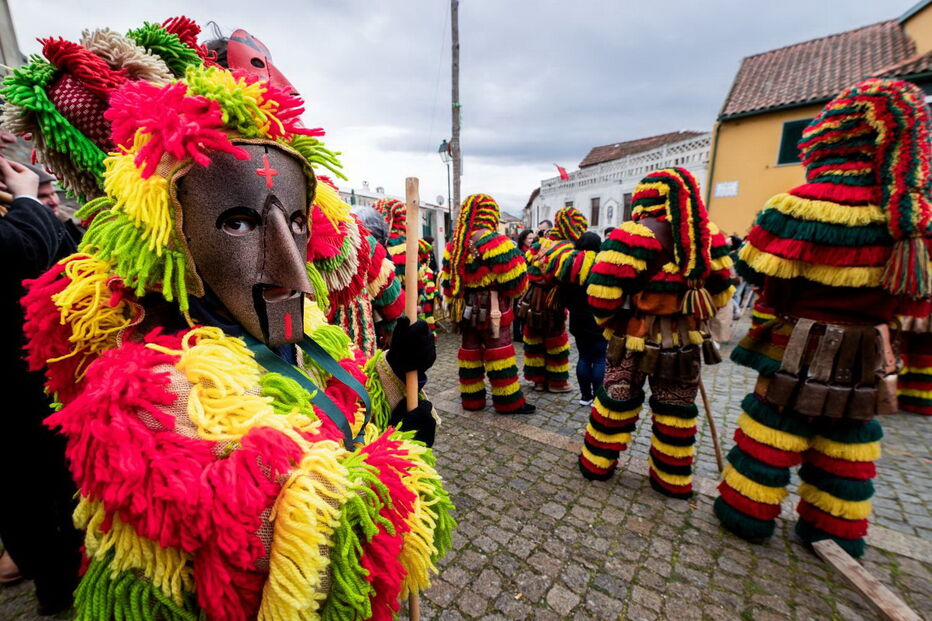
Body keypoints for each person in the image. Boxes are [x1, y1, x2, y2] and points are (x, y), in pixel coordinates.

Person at [6, 18, 454, 618]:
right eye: (239, 223)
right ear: (171, 235)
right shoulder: (154, 395)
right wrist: (406, 468)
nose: (296, 273)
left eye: (296, 224)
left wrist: (392, 376)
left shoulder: (301, 327)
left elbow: (334, 413)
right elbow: (304, 555)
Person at [714, 79, 931, 558]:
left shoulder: (797, 205)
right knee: (846, 438)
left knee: (772, 428)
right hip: (869, 349)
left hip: (799, 342)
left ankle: (748, 515)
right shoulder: (912, 220)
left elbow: (756, 271)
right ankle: (833, 530)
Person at [579, 167, 735, 497]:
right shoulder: (711, 237)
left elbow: (601, 295)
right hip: (684, 341)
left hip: (633, 337)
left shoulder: (631, 235)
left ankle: (597, 463)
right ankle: (671, 478)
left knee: (615, 401)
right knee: (676, 409)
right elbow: (721, 296)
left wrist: (612, 325)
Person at [0, 157, 82, 616]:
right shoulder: (22, 217)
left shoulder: (54, 221)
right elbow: (21, 254)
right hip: (18, 390)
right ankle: (57, 582)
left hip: (36, 381)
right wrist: (27, 199)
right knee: (29, 488)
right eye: (42, 195)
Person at [442, 193, 535, 414]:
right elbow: (517, 283)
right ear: (491, 214)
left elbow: (447, 282)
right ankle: (507, 402)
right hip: (494, 309)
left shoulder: (454, 246)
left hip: (466, 308)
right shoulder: (498, 243)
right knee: (499, 353)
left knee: (470, 353)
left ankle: (472, 400)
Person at [522, 206, 588, 392]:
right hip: (553, 299)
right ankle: (556, 383)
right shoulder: (568, 250)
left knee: (534, 337)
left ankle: (538, 381)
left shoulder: (540, 245)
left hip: (533, 297)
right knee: (555, 338)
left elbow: (528, 266)